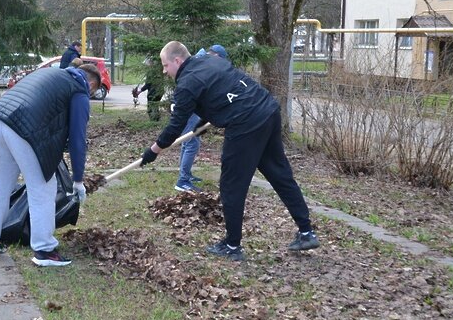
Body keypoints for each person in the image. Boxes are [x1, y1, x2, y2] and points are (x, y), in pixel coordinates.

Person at [139, 41, 320, 261]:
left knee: (231, 184)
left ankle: (232, 245)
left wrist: (154, 150)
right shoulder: (209, 60)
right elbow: (220, 88)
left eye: (165, 65)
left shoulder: (186, 83)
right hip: (267, 109)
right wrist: (203, 121)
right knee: (279, 174)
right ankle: (306, 231)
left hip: (246, 122)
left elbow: (175, 126)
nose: (164, 71)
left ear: (177, 60)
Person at [0, 63, 102, 267]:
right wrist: (78, 180)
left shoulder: (52, 74)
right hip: (24, 129)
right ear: (90, 83)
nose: (90, 95)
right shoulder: (79, 88)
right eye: (93, 91)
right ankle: (44, 251)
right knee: (43, 188)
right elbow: (78, 140)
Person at [176, 44, 230, 191]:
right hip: (191, 108)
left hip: (189, 107)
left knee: (188, 142)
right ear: (216, 56)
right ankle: (182, 181)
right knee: (192, 143)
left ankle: (185, 173)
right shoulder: (204, 64)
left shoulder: (199, 61)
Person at [131, 57, 165, 121]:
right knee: (156, 106)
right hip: (160, 91)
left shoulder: (150, 72)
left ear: (151, 63)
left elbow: (148, 84)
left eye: (147, 64)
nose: (146, 65)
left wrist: (139, 91)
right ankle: (157, 121)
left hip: (153, 92)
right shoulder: (159, 70)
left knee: (150, 108)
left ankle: (153, 122)